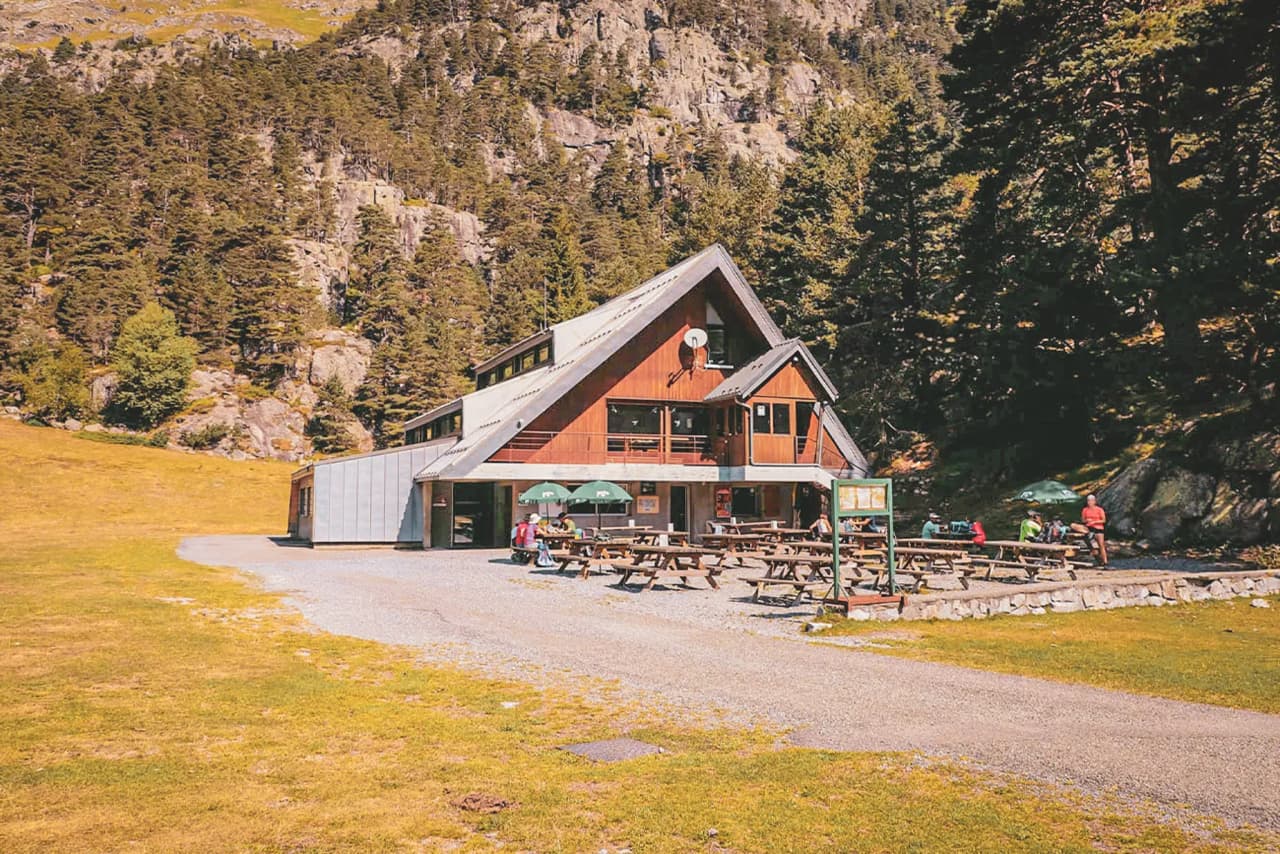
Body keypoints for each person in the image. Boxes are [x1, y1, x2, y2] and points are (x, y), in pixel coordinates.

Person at [1081, 494, 1108, 567]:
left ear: (1094, 501)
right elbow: (1083, 520)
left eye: (1091, 500)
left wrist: (1094, 521)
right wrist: (1087, 520)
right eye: (1088, 501)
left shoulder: (1099, 509)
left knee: (1101, 545)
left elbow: (1103, 520)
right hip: (1089, 528)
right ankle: (1098, 559)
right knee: (1090, 545)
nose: (1089, 502)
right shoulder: (1085, 510)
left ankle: (1105, 561)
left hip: (1098, 528)